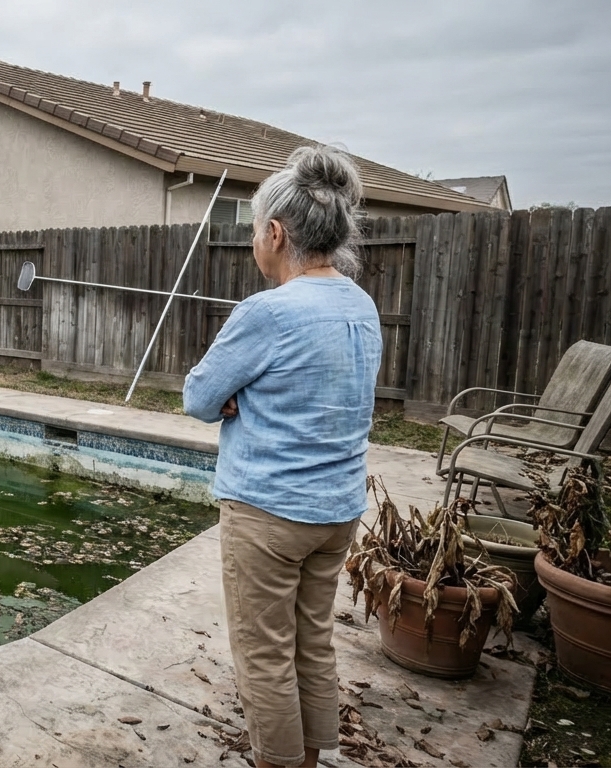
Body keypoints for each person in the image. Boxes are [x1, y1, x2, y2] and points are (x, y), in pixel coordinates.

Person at [182, 145, 382, 768]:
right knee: (311, 642)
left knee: (264, 653)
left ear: (275, 233)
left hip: (268, 513)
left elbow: (198, 396)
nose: (252, 244)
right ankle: (310, 758)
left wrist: (235, 396)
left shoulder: (266, 312)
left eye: (252, 232)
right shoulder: (361, 303)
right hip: (337, 510)